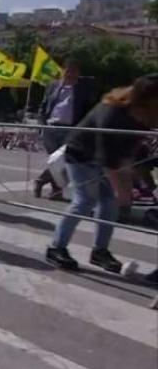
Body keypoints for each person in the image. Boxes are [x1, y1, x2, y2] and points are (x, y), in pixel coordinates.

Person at [45, 74, 158, 272]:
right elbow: (108, 162)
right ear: (143, 101)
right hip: (80, 155)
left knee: (109, 203)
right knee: (85, 200)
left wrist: (142, 184)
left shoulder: (143, 116)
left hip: (103, 159)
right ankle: (56, 248)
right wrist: (123, 193)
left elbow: (130, 154)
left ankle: (99, 252)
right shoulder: (112, 113)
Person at [34, 62, 92, 201]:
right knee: (55, 161)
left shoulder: (83, 89)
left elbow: (87, 109)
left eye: (73, 71)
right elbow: (44, 106)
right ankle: (56, 191)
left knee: (62, 160)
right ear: (62, 72)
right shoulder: (53, 86)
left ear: (78, 73)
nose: (70, 75)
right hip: (51, 128)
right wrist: (42, 124)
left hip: (70, 129)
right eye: (68, 71)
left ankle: (41, 181)